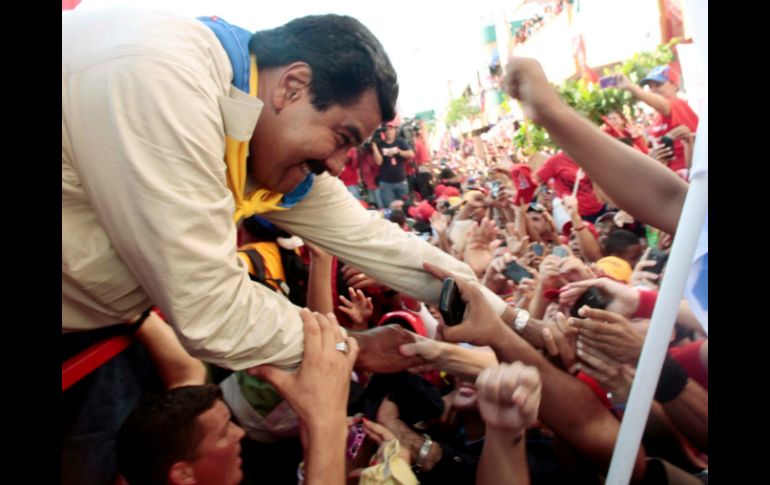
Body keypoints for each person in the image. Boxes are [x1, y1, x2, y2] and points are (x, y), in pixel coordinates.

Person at [615, 65, 698, 175]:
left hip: (688, 174)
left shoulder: (677, 104)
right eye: (650, 86)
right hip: (670, 175)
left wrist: (631, 88)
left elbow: (664, 104)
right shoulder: (658, 116)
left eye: (658, 85)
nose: (653, 90)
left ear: (674, 85)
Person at [373, 121, 415, 207]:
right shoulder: (381, 144)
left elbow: (411, 154)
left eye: (391, 129)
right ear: (384, 132)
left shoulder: (400, 141)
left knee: (405, 206)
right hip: (386, 183)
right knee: (390, 207)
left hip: (401, 181)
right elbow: (378, 162)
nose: (389, 131)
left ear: (395, 131)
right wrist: (374, 145)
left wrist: (398, 152)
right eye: (387, 130)